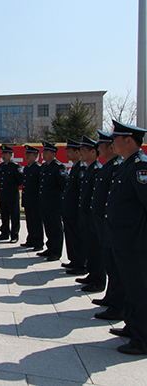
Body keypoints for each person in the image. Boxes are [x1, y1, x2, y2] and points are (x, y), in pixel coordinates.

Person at [105, 120, 147, 355]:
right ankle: (132, 327)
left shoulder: (141, 166)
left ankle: (143, 340)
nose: (112, 143)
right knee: (130, 286)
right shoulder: (127, 164)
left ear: (129, 140)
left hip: (135, 240)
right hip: (123, 238)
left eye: (116, 139)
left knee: (139, 289)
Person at [91, 130, 124, 321]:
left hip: (116, 226)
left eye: (100, 146)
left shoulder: (119, 166)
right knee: (110, 264)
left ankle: (117, 306)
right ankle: (111, 297)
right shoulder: (109, 166)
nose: (98, 149)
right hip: (104, 222)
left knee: (117, 268)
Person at [76, 136, 104, 293]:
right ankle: (92, 274)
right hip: (86, 216)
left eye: (83, 150)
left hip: (93, 218)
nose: (80, 153)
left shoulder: (97, 170)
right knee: (89, 247)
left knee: (96, 249)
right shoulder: (88, 169)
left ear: (93, 152)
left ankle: (98, 280)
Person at [37, 141, 67, 262]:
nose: (44, 154)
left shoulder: (59, 167)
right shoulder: (44, 166)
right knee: (48, 227)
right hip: (45, 202)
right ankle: (50, 248)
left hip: (55, 203)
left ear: (54, 154)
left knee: (55, 227)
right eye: (43, 152)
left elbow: (63, 185)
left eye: (47, 152)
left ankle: (56, 251)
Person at [62, 138, 87, 275]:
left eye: (69, 151)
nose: (67, 154)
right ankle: (74, 260)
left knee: (78, 237)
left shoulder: (82, 168)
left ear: (77, 152)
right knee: (71, 237)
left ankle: (81, 264)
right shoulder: (74, 167)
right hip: (69, 210)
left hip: (76, 210)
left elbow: (81, 191)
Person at [0, 145, 23, 243]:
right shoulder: (1, 166)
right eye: (2, 154)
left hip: (12, 195)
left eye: (6, 154)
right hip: (3, 194)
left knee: (14, 216)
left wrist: (12, 187)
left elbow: (20, 180)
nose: (3, 156)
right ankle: (5, 233)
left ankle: (14, 235)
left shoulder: (16, 166)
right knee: (4, 215)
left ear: (11, 155)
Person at [20, 145, 43, 251]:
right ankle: (31, 240)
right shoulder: (27, 168)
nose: (27, 156)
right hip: (28, 199)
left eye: (29, 155)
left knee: (36, 222)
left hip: (36, 200)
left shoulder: (38, 168)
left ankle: (38, 243)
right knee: (29, 221)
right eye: (26, 154)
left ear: (35, 156)